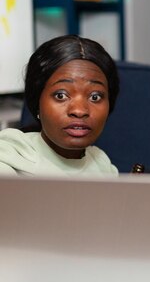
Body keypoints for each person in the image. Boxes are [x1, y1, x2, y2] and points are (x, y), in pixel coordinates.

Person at [0, 35, 120, 176]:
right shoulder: (11, 157)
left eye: (95, 97)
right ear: (37, 101)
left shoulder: (102, 164)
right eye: (61, 96)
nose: (79, 110)